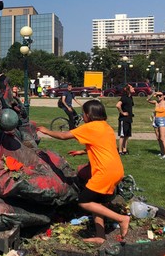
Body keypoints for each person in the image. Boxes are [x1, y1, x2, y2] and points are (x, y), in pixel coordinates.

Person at [38, 100, 130, 244]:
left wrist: (46, 131)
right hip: (117, 170)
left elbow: (64, 136)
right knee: (97, 205)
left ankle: (121, 219)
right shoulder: (106, 127)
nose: (82, 116)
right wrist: (83, 151)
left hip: (104, 173)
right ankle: (101, 237)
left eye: (83, 114)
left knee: (84, 201)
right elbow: (103, 147)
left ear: (88, 115)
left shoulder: (89, 127)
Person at [116, 84, 135, 155]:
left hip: (129, 119)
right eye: (132, 87)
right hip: (123, 119)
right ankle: (120, 151)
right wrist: (122, 113)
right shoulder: (124, 97)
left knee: (127, 135)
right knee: (122, 135)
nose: (133, 88)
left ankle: (124, 149)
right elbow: (117, 105)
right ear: (128, 90)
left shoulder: (130, 97)